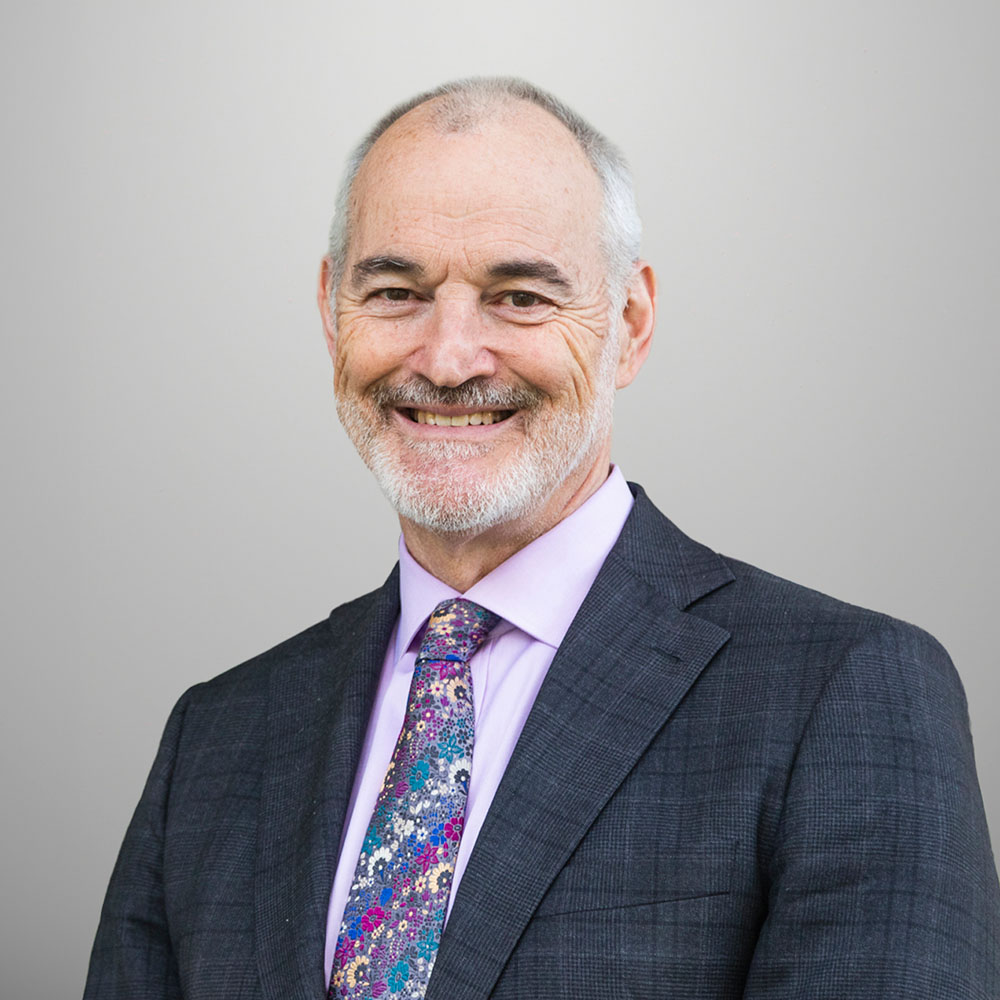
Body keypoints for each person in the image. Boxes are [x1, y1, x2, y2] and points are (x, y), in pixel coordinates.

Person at [84, 77, 999, 1000]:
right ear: (332, 315)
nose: (446, 359)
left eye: (519, 297)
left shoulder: (842, 697)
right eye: (396, 292)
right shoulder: (219, 737)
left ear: (629, 327)